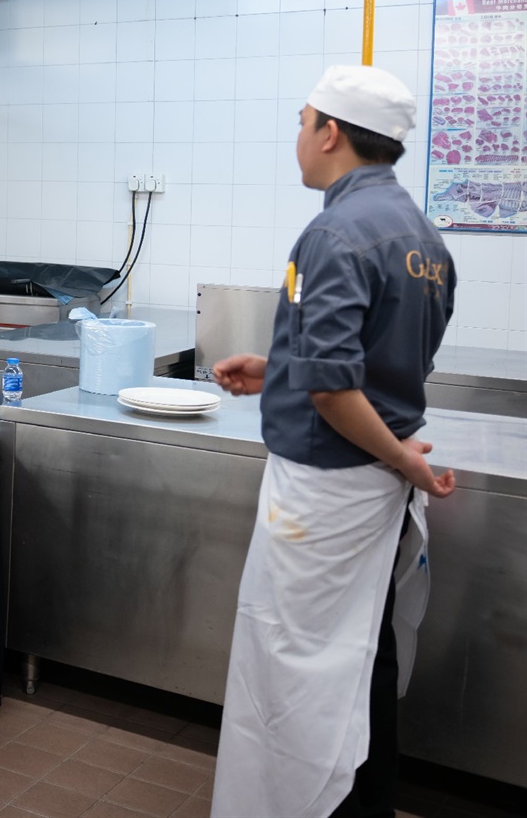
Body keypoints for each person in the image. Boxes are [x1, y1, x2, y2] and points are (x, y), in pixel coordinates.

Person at [209, 65, 457, 818]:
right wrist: (279, 367)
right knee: (363, 653)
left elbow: (335, 391)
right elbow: (376, 364)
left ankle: (301, 803)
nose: (299, 136)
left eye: (302, 121)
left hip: (324, 495)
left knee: (297, 667)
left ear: (331, 133)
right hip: (375, 495)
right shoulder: (424, 238)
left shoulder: (333, 233)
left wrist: (399, 455)